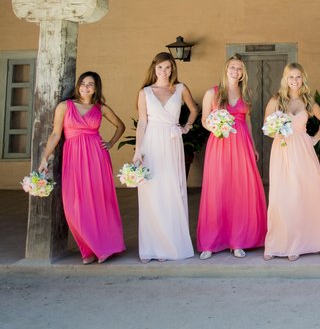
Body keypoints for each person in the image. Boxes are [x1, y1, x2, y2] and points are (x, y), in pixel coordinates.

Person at [38, 72, 126, 264]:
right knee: (74, 205)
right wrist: (45, 158)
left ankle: (103, 248)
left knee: (99, 201)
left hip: (97, 157)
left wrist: (110, 143)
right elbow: (55, 134)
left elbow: (121, 126)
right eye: (83, 84)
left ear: (96, 88)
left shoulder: (100, 108)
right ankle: (87, 249)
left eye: (90, 85)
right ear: (78, 86)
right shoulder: (64, 106)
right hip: (74, 157)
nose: (86, 88)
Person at [197, 55, 267, 260]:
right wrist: (216, 127)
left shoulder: (246, 93)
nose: (236, 71)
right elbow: (203, 120)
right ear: (226, 69)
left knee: (239, 190)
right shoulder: (213, 93)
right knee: (217, 189)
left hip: (242, 144)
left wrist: (253, 146)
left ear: (243, 72)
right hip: (220, 144)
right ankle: (211, 242)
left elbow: (249, 122)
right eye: (232, 67)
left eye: (239, 68)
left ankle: (239, 240)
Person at [263, 63, 320, 261]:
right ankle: (277, 243)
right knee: (281, 195)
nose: (295, 80)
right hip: (282, 150)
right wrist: (277, 129)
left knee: (301, 194)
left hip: (303, 150)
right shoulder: (276, 100)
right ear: (285, 79)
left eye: (298, 77)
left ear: (303, 78)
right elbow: (267, 129)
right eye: (291, 77)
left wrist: (315, 138)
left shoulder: (308, 101)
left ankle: (298, 243)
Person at [134, 52, 199, 262]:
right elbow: (142, 122)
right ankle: (152, 247)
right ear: (154, 68)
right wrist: (137, 151)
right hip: (151, 143)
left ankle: (169, 246)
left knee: (172, 190)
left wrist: (187, 125)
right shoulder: (144, 92)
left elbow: (194, 109)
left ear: (173, 69)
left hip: (172, 141)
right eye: (161, 67)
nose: (164, 71)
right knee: (151, 192)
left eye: (168, 67)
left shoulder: (180, 88)